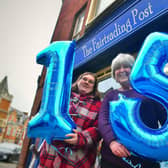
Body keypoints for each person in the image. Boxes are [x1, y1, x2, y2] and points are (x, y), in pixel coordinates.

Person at [98, 53, 166, 168]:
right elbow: (103, 120)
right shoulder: (111, 95)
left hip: (145, 159)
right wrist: (112, 142)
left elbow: (165, 116)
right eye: (117, 68)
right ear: (114, 74)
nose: (122, 70)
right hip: (114, 158)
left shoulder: (148, 92)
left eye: (126, 66)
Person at [37, 72, 101, 168]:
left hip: (75, 158)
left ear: (94, 87)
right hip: (50, 153)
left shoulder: (98, 105)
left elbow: (98, 129)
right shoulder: (62, 96)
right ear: (78, 81)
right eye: (84, 79)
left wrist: (81, 138)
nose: (86, 82)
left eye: (91, 82)